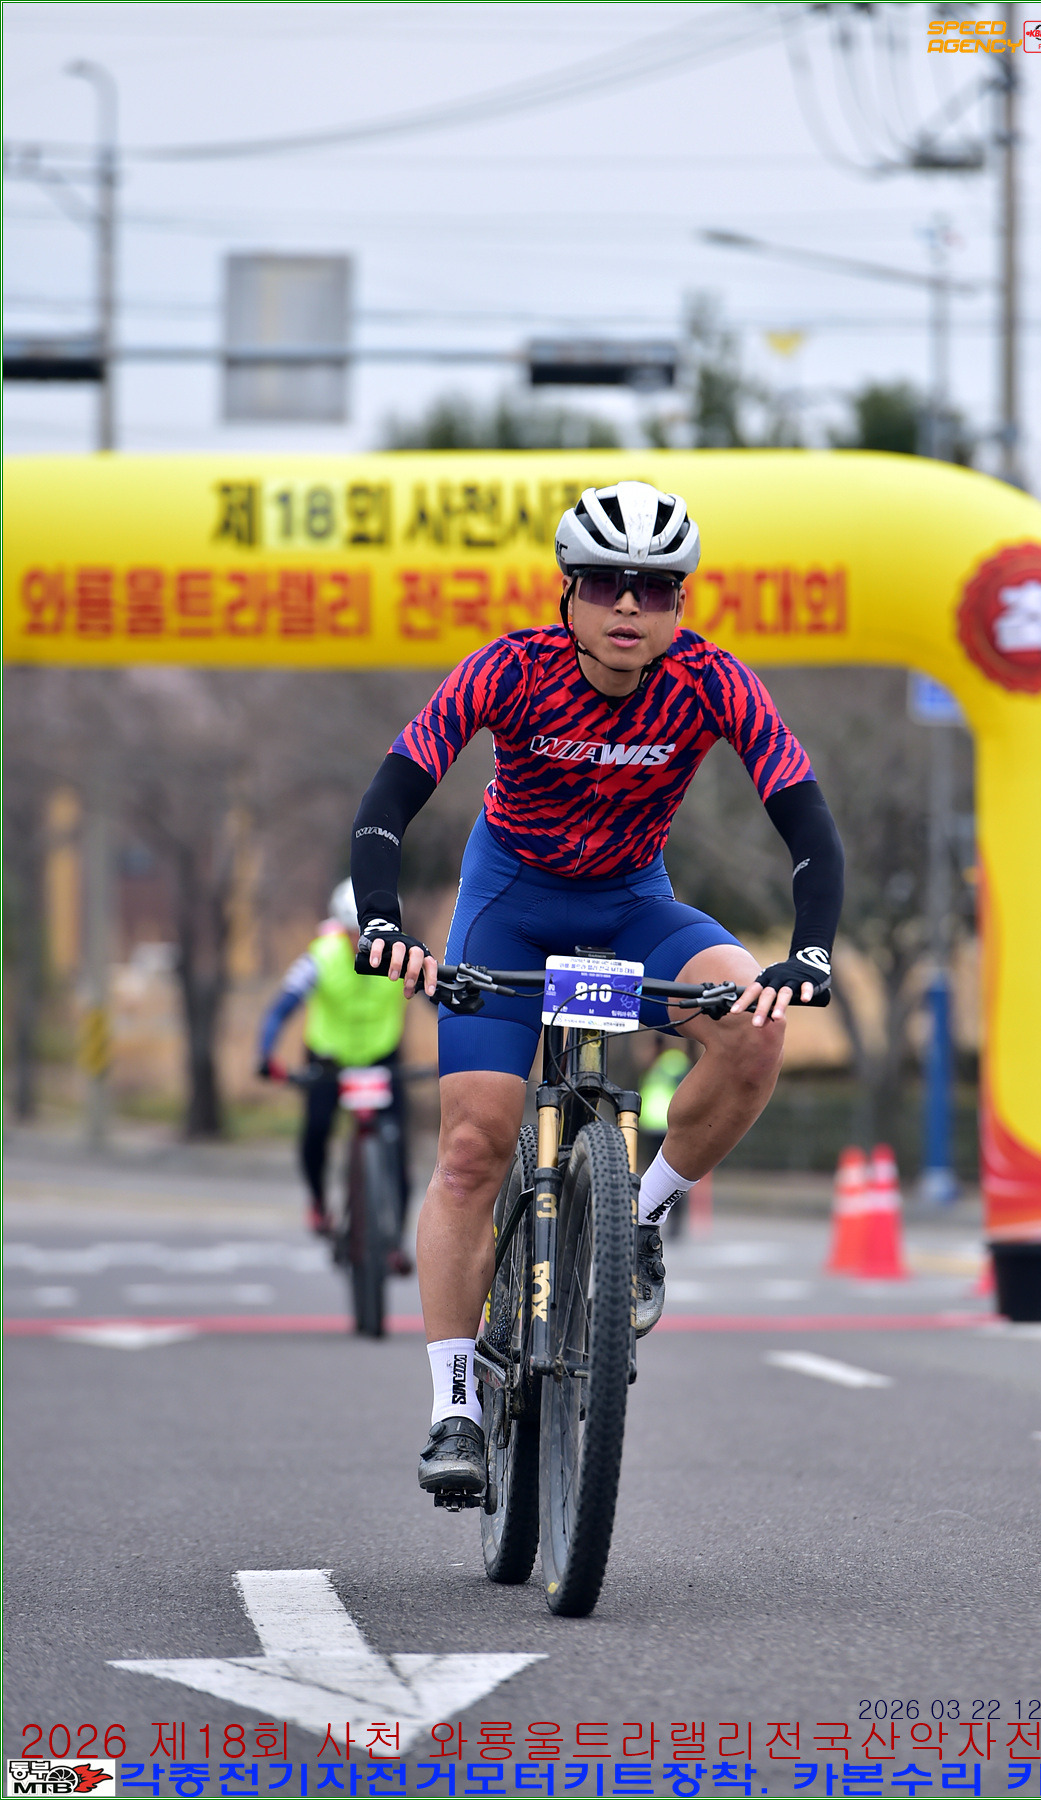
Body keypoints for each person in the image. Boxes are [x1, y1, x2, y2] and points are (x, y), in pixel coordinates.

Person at [349, 480, 844, 1500]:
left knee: (754, 1025)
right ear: (568, 593)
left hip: (631, 907)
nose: (629, 605)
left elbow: (807, 821)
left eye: (654, 589)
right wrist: (385, 920)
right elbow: (393, 792)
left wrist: (813, 951)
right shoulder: (511, 668)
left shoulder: (711, 681)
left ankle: (641, 1218)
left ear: (679, 604)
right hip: (511, 908)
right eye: (607, 583)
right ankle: (455, 1407)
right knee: (474, 1146)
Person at [258, 879, 411, 1266]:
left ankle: (394, 1239)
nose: (362, 943)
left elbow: (436, 1000)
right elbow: (281, 1007)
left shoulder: (404, 955)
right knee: (316, 1130)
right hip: (329, 1058)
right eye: (351, 934)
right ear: (338, 930)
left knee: (398, 1147)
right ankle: (318, 1201)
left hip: (381, 1056)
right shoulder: (319, 957)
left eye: (368, 934)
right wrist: (266, 1053)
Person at [638, 1038, 695, 1239]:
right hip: (653, 1128)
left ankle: (676, 1224)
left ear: (657, 1047)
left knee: (672, 1176)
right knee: (655, 1175)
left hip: (668, 1127)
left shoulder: (673, 1062)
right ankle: (657, 1220)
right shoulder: (655, 1067)